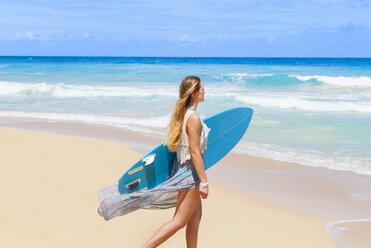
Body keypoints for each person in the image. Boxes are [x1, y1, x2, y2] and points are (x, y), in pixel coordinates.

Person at [97, 75, 210, 248]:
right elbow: (194, 151)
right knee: (179, 221)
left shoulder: (183, 115)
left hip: (181, 169)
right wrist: (203, 181)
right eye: (202, 88)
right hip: (190, 173)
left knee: (195, 218)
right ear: (194, 93)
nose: (204, 91)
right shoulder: (193, 118)